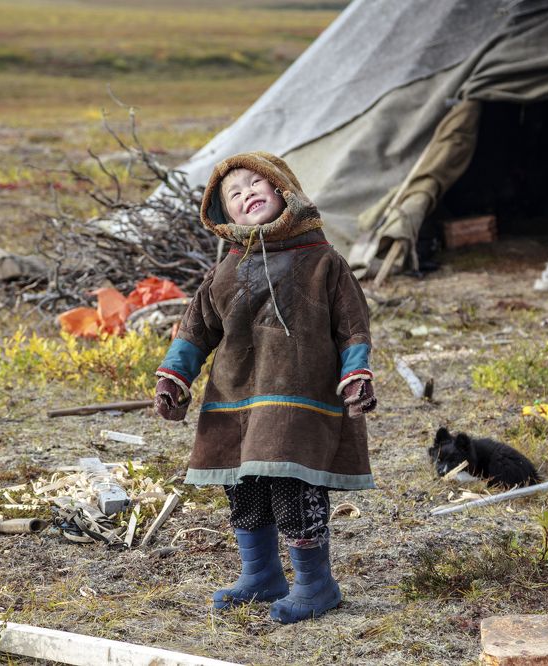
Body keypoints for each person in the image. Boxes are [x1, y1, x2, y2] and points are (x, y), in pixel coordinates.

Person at [153, 151, 377, 624]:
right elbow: (194, 332)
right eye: (234, 194)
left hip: (299, 400)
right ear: (224, 214)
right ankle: (261, 575)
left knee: (294, 487)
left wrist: (356, 373)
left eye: (258, 184)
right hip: (235, 400)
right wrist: (174, 378)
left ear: (284, 190)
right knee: (243, 487)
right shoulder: (224, 272)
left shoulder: (324, 263)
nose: (247, 194)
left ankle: (316, 584)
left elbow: (354, 327)